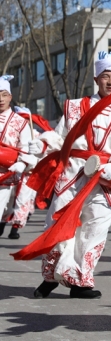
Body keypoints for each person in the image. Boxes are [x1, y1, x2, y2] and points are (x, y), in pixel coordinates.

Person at [31, 49, 111, 299]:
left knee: (95, 228)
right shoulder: (75, 107)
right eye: (105, 76)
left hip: (105, 178)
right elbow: (61, 136)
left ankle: (81, 281)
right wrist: (42, 143)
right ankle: (52, 276)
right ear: (96, 79)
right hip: (73, 174)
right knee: (59, 223)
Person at [0, 77, 38, 238]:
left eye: (4, 94)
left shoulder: (20, 122)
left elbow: (27, 147)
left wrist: (22, 163)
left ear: (10, 96)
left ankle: (15, 226)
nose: (0, 99)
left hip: (6, 172)